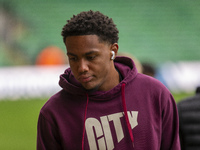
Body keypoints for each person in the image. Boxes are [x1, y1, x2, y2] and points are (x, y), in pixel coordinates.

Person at [37, 10, 180, 150]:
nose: (82, 67)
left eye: (91, 57)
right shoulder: (53, 113)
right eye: (73, 58)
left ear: (113, 51)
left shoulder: (155, 94)